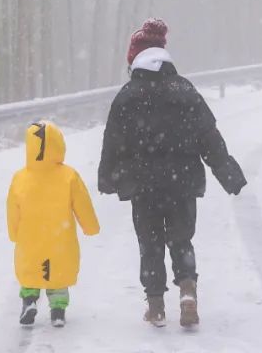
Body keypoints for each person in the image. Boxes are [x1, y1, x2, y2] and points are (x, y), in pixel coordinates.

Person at [98, 18, 247, 328]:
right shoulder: (184, 89)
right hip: (182, 184)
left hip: (143, 187)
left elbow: (112, 141)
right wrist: (227, 172)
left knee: (150, 244)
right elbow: (209, 135)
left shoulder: (127, 96)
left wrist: (107, 177)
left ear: (135, 59)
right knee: (181, 240)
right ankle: (188, 291)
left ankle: (155, 307)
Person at [7, 121, 100, 328]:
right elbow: (82, 204)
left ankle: (29, 300)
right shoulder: (69, 176)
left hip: (30, 240)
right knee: (58, 273)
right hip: (60, 238)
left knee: (31, 273)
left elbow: (12, 209)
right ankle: (58, 309)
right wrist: (90, 226)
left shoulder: (20, 178)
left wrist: (14, 233)